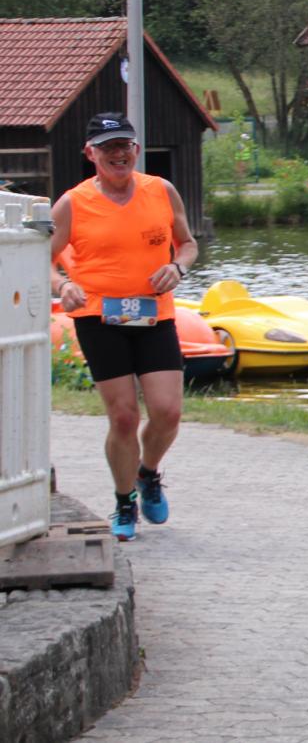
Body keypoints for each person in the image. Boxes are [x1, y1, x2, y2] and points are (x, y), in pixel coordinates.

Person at [50, 113, 197, 541]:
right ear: (90, 153)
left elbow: (188, 244)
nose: (118, 154)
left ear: (136, 149)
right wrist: (64, 286)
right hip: (99, 317)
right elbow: (44, 260)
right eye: (108, 147)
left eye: (124, 145)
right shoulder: (73, 203)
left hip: (153, 314)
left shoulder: (161, 190)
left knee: (168, 412)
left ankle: (147, 474)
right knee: (124, 417)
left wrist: (177, 268)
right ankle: (124, 500)